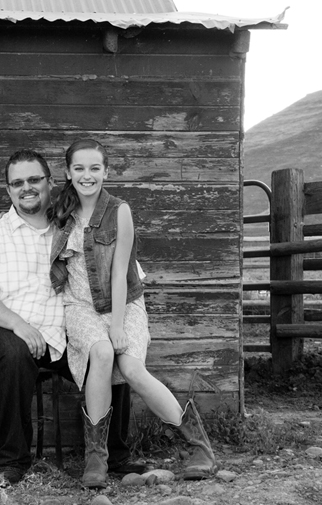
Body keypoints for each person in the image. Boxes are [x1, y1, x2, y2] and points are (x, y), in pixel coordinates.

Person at [0, 149, 150, 485]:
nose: (26, 188)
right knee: (12, 351)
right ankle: (11, 462)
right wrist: (19, 325)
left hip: (61, 334)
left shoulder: (73, 224)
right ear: (8, 191)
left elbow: (120, 273)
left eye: (34, 180)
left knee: (105, 354)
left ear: (50, 183)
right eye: (17, 183)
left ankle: (113, 456)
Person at [49, 139, 219, 487]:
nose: (87, 175)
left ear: (106, 171)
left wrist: (115, 324)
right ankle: (96, 459)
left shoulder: (119, 210)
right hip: (79, 305)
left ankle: (199, 448)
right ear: (68, 172)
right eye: (79, 168)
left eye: (95, 168)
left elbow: (119, 272)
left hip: (123, 304)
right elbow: (31, 222)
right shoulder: (60, 210)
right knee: (100, 351)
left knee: (131, 367)